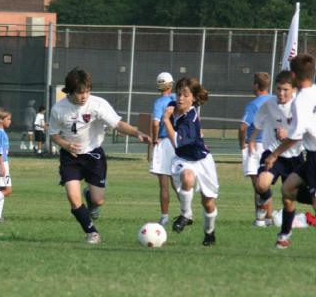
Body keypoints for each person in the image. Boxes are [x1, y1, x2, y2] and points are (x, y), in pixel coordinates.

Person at [48, 68, 151, 244]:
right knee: (73, 198)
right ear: (70, 90)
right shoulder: (59, 109)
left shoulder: (98, 104)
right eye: (80, 92)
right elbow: (53, 134)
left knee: (98, 200)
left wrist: (136, 133)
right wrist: (66, 144)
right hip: (70, 157)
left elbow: (117, 124)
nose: (84, 96)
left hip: (94, 154)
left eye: (87, 91)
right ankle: (92, 233)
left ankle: (91, 198)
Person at [264, 53, 316, 249]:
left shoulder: (300, 101)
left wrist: (274, 154)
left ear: (293, 76)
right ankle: (284, 235)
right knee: (288, 189)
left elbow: (294, 136)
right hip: (310, 156)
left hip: (315, 156)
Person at [162, 77, 219, 246]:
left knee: (208, 203)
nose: (180, 98)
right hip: (183, 159)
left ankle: (209, 233)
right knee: (187, 177)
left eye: (185, 95)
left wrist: (166, 120)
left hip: (202, 160)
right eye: (179, 94)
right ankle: (185, 215)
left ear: (193, 98)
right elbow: (180, 148)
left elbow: (177, 142)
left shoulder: (190, 118)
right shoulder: (173, 106)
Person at [248, 71, 303, 227]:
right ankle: (263, 203)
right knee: (261, 184)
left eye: (285, 89)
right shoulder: (269, 104)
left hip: (295, 156)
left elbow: (303, 133)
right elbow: (258, 123)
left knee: (289, 198)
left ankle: (286, 229)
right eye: (278, 89)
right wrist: (252, 139)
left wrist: (289, 133)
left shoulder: (299, 106)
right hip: (273, 153)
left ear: (293, 90)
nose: (281, 93)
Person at [238, 72, 272, 226]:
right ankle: (269, 218)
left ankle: (260, 219)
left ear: (257, 86)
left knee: (257, 185)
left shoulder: (254, 104)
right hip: (271, 145)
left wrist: (242, 144)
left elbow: (243, 127)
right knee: (265, 185)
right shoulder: (274, 100)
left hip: (256, 145)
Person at [149, 72, 177, 226]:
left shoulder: (159, 102)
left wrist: (154, 139)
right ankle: (186, 213)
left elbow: (155, 123)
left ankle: (165, 216)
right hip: (177, 141)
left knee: (164, 183)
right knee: (177, 181)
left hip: (164, 142)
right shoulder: (177, 99)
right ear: (171, 85)